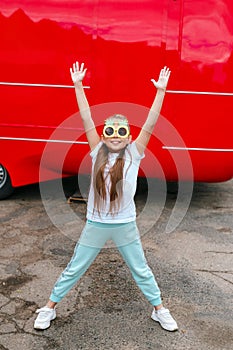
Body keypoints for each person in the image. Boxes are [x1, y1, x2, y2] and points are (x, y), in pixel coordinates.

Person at [34, 62, 178, 332]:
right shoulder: (96, 151)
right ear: (103, 135)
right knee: (75, 267)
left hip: (125, 224)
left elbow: (150, 122)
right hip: (96, 223)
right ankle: (48, 307)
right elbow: (86, 117)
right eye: (110, 130)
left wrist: (161, 92)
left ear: (129, 136)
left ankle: (159, 309)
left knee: (141, 269)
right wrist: (78, 85)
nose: (115, 135)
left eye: (121, 131)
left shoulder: (135, 153)